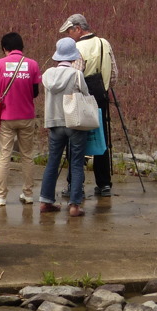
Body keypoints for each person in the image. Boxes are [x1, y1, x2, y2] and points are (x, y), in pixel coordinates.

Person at [59, 13, 118, 197]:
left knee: (76, 141)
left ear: (78, 29)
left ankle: (75, 186)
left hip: (81, 100)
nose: (69, 36)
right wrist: (106, 87)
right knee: (101, 139)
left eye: (69, 31)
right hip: (101, 97)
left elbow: (74, 78)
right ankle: (104, 184)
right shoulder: (104, 43)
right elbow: (114, 73)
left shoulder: (77, 48)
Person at [38, 38, 91, 218]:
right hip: (74, 122)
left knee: (52, 161)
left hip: (54, 122)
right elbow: (86, 94)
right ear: (73, 56)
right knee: (76, 163)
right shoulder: (76, 75)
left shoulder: (47, 75)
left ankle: (45, 201)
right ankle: (74, 206)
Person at [0, 32, 42, 206]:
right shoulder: (33, 65)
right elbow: (35, 92)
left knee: (4, 156)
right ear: (22, 47)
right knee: (27, 156)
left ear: (5, 48)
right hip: (27, 116)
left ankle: (2, 196)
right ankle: (27, 194)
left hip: (6, 117)